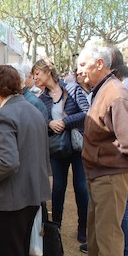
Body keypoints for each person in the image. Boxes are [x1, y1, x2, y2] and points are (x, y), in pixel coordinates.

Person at [76, 45, 128, 256]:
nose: (79, 71)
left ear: (100, 64)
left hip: (110, 175)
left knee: (108, 239)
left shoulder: (116, 93)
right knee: (98, 236)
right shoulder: (104, 90)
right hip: (101, 174)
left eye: (82, 65)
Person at [0, 65, 51, 256]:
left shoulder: (4, 113)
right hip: (33, 192)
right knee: (20, 249)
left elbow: (8, 161)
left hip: (15, 196)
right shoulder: (33, 109)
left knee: (9, 252)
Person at [31, 58, 89, 243]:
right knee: (57, 188)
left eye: (37, 74)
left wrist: (65, 121)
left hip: (77, 147)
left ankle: (83, 228)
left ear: (48, 72)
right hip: (57, 148)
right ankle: (55, 227)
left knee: (81, 188)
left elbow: (87, 112)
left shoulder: (71, 89)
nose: (35, 78)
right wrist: (50, 123)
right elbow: (40, 122)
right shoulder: (41, 98)